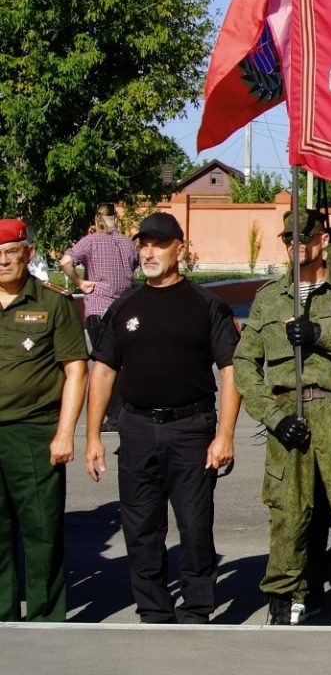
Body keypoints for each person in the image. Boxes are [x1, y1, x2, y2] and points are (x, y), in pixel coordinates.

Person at [232, 208, 331, 627]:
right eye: (289, 238)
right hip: (287, 410)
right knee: (288, 509)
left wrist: (323, 335)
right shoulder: (269, 298)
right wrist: (271, 414)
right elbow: (245, 367)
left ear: (323, 241)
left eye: (305, 236)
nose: (296, 244)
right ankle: (287, 597)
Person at [82, 213, 240, 624]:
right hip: (135, 428)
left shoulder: (207, 306)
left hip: (191, 429)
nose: (149, 251)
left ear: (179, 249)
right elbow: (102, 372)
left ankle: (198, 606)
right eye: (143, 244)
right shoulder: (125, 306)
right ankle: (153, 606)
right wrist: (93, 435)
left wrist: (224, 435)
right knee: (140, 524)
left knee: (194, 524)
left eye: (159, 244)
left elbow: (231, 371)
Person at [0, 218, 87, 622]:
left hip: (34, 432)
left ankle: (46, 620)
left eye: (10, 253)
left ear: (28, 254)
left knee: (41, 532)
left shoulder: (53, 303)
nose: (2, 262)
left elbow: (75, 371)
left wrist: (65, 434)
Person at [61, 202, 137, 430]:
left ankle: (115, 417)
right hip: (125, 309)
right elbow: (133, 269)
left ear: (96, 219)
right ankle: (129, 412)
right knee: (125, 364)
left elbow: (65, 262)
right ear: (117, 218)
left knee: (106, 365)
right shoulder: (127, 244)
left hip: (99, 308)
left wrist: (79, 282)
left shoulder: (91, 241)